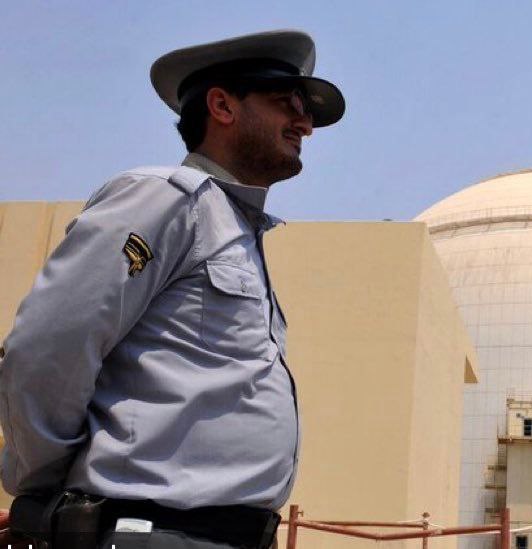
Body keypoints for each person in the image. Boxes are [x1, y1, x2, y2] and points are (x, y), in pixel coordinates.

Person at [0, 29, 345, 548]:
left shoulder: (236, 228)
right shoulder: (166, 200)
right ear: (222, 106)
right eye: (287, 103)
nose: (306, 124)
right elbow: (48, 346)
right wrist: (50, 483)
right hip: (154, 530)